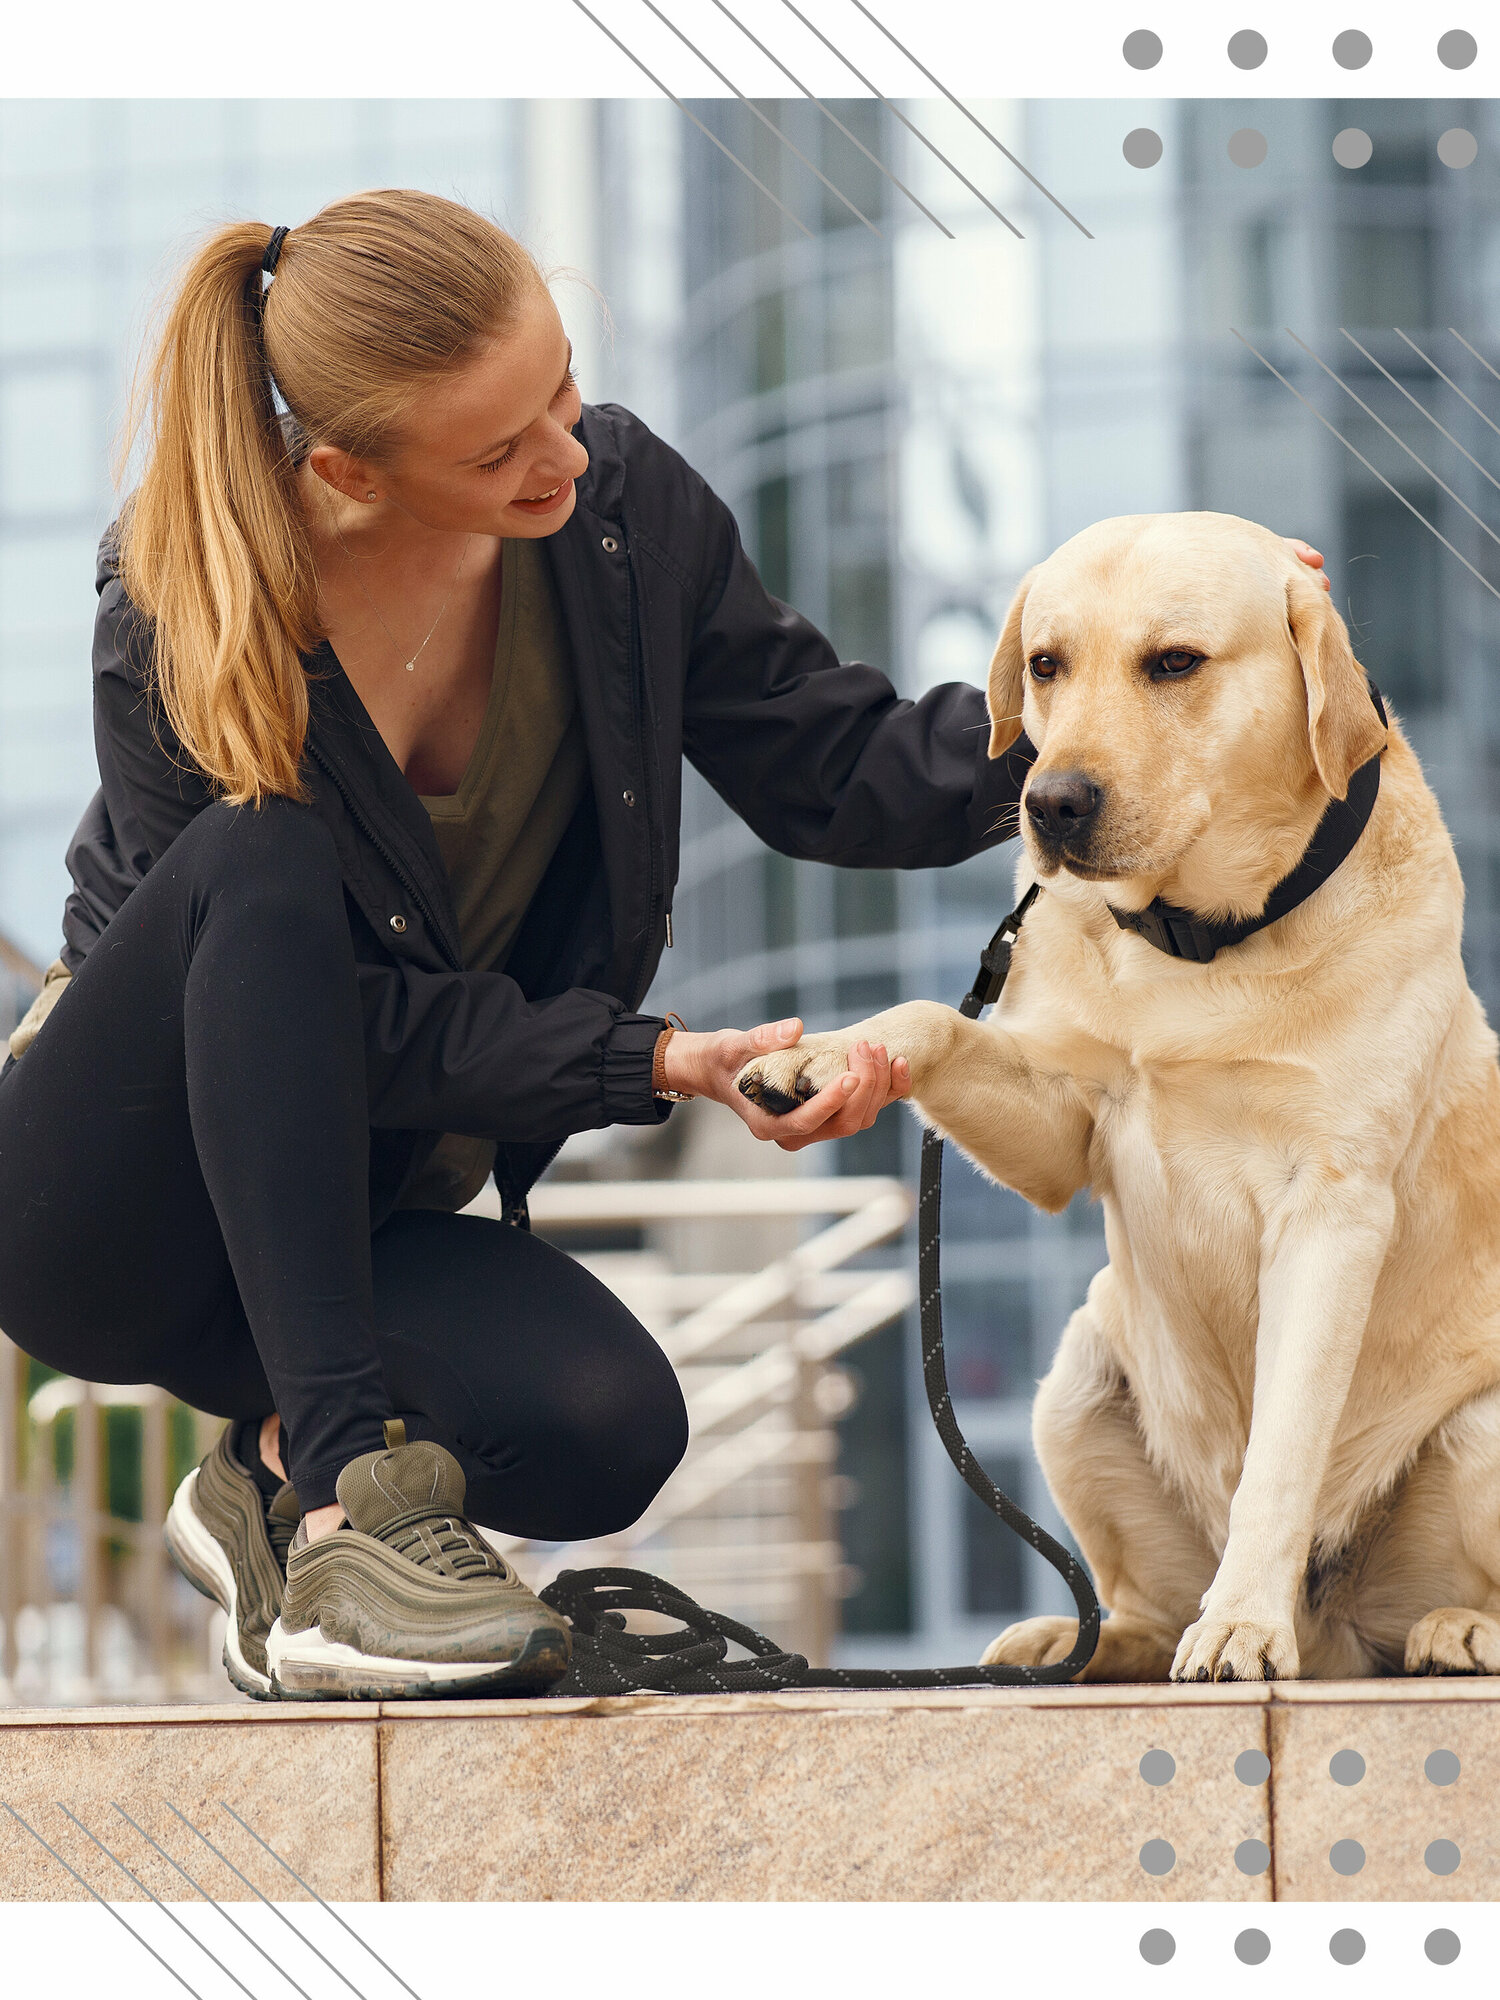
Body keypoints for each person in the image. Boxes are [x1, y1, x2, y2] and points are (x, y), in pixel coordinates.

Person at [0, 189, 1331, 1700]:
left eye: (560, 386)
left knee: (604, 1426)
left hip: (364, 1202)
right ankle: (342, 1521)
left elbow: (835, 761)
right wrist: (649, 1059)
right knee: (261, 853)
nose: (563, 451)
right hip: (120, 1202)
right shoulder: (183, 605)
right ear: (348, 470)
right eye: (499, 451)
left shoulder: (619, 520)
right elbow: (313, 1008)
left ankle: (265, 1475)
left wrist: (1142, 698)